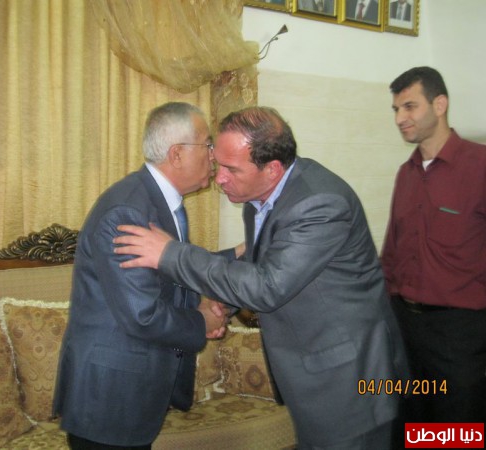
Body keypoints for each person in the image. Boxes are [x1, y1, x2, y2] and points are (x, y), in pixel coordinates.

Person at [114, 106, 408, 450]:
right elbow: (260, 264)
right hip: (314, 375)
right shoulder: (260, 198)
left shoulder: (320, 204)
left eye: (231, 169)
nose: (219, 178)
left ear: (272, 169)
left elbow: (268, 286)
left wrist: (170, 254)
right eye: (218, 163)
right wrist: (223, 304)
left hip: (348, 382)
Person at [52, 102, 227, 450]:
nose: (214, 157)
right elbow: (142, 314)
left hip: (130, 391)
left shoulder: (155, 201)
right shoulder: (128, 211)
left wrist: (233, 263)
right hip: (110, 400)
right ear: (177, 154)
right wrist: (201, 321)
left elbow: (169, 278)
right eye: (208, 145)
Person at [381, 67, 486, 430]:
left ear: (439, 105)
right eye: (396, 109)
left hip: (460, 333)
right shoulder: (406, 173)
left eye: (410, 106)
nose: (400, 118)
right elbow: (392, 253)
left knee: (456, 431)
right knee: (410, 425)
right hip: (405, 326)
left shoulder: (479, 165)